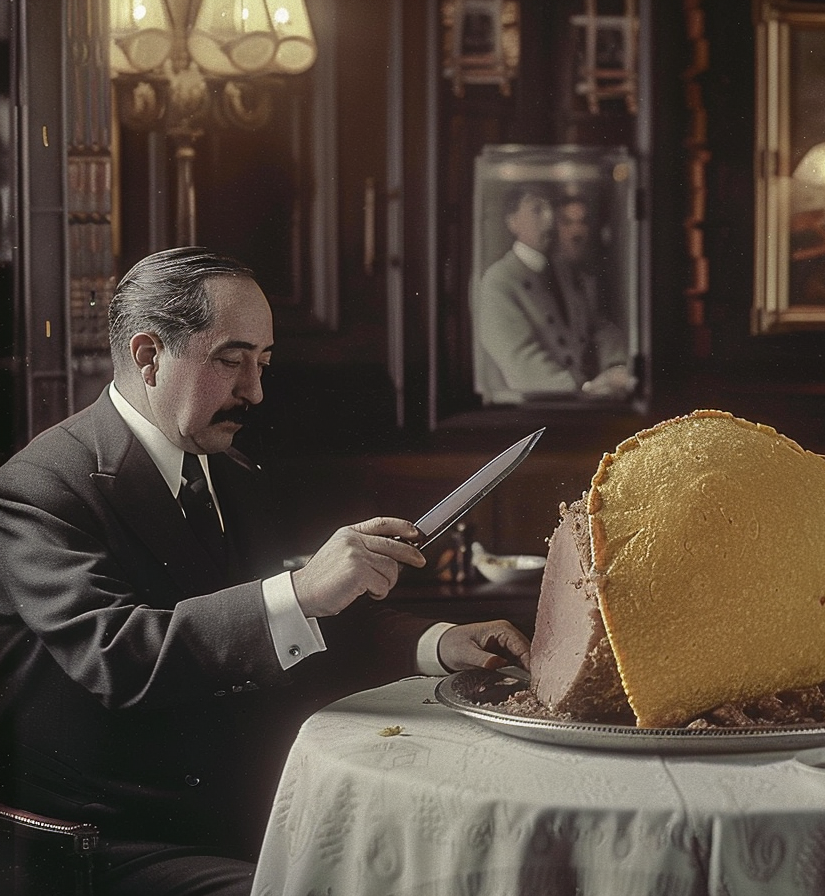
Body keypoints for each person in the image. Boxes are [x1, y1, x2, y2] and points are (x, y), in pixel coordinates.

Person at [0, 247, 532, 896]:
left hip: (233, 823)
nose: (254, 391)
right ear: (147, 357)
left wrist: (438, 644)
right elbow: (117, 654)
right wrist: (305, 587)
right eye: (232, 360)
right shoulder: (39, 485)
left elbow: (288, 628)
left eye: (264, 363)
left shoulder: (231, 473)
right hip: (104, 849)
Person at [473, 184, 634, 403]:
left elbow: (598, 326)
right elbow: (521, 359)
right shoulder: (499, 281)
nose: (549, 219)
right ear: (512, 222)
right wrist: (584, 390)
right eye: (537, 210)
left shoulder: (565, 271)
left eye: (551, 210)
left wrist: (617, 366)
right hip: (536, 407)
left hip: (583, 401)